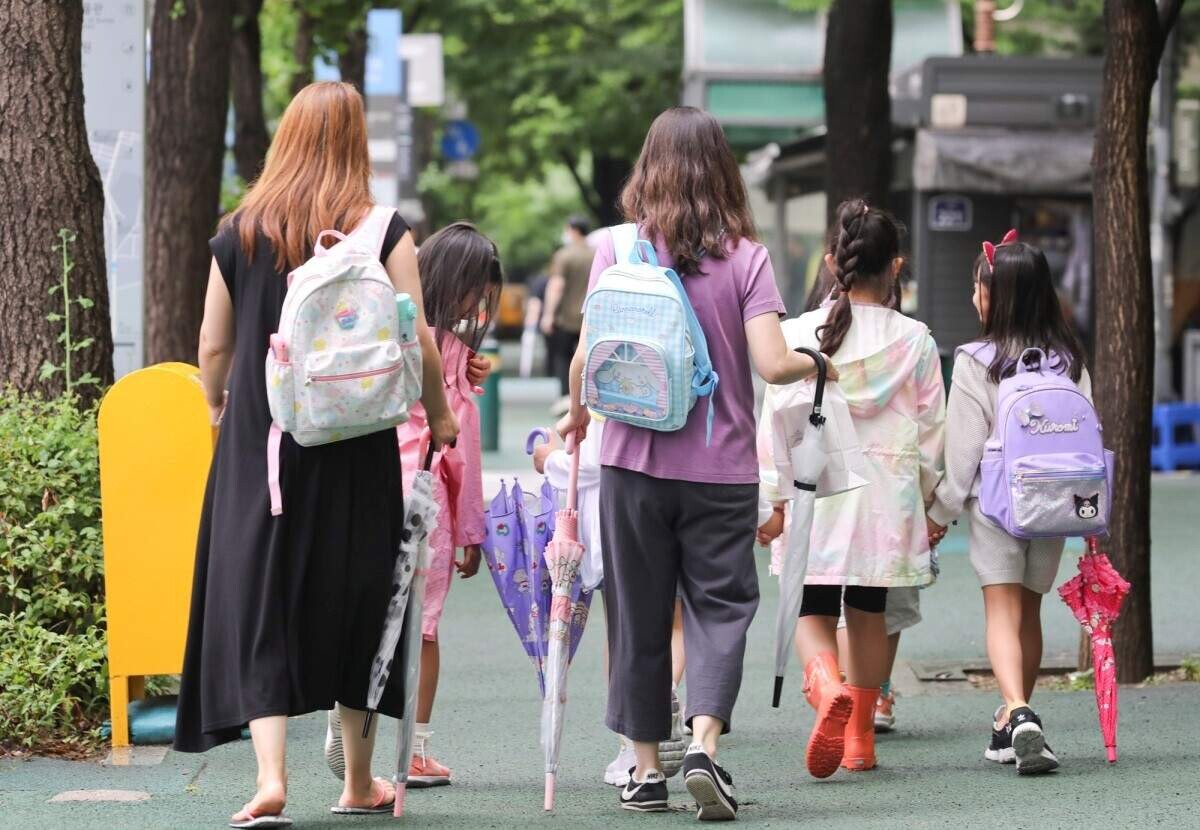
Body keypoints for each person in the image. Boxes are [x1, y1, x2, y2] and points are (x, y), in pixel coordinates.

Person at [173, 82, 459, 827]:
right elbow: (417, 336)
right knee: (356, 594)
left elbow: (213, 343)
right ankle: (359, 781)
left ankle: (271, 777)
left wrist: (214, 405)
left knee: (262, 594)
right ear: (356, 142)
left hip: (260, 438)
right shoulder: (383, 228)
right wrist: (441, 412)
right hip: (354, 437)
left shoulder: (241, 228)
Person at [556, 106, 828, 821]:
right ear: (723, 171)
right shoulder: (746, 256)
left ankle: (646, 770)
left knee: (639, 615)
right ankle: (704, 742)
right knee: (720, 608)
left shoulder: (617, 250)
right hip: (720, 469)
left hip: (630, 464)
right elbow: (773, 363)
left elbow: (589, 359)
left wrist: (578, 413)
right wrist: (818, 359)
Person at [757, 199, 944, 779]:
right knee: (869, 611)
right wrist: (934, 502)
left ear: (833, 261)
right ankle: (861, 738)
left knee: (812, 608)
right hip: (886, 498)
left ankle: (825, 684)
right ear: (897, 266)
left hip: (817, 490)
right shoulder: (915, 339)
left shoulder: (794, 334)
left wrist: (772, 499)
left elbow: (775, 423)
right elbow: (933, 430)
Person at [325, 222, 502, 788]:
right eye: (481, 292)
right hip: (426, 505)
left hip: (373, 486)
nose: (482, 304)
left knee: (370, 617)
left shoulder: (387, 329)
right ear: (463, 287)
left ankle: (348, 717)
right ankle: (416, 748)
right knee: (421, 633)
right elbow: (460, 451)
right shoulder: (450, 355)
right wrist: (473, 531)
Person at [926, 237, 1090, 775]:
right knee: (1030, 612)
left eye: (979, 285)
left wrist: (940, 513)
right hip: (1055, 506)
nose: (973, 294)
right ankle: (1011, 719)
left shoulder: (978, 362)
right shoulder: (1070, 360)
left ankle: (1018, 711)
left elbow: (965, 451)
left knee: (1001, 611)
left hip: (998, 508)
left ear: (997, 296)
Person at [532, 420, 689, 787]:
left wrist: (550, 459)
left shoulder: (607, 374)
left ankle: (634, 740)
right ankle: (665, 689)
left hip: (617, 524)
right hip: (677, 505)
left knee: (623, 630)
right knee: (677, 620)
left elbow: (596, 459)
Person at [542, 215, 595, 415]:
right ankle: (588, 398)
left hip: (566, 319)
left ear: (572, 230)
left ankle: (567, 398)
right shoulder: (596, 254)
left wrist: (548, 315)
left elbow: (556, 285)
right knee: (588, 358)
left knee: (564, 359)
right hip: (590, 318)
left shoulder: (564, 255)